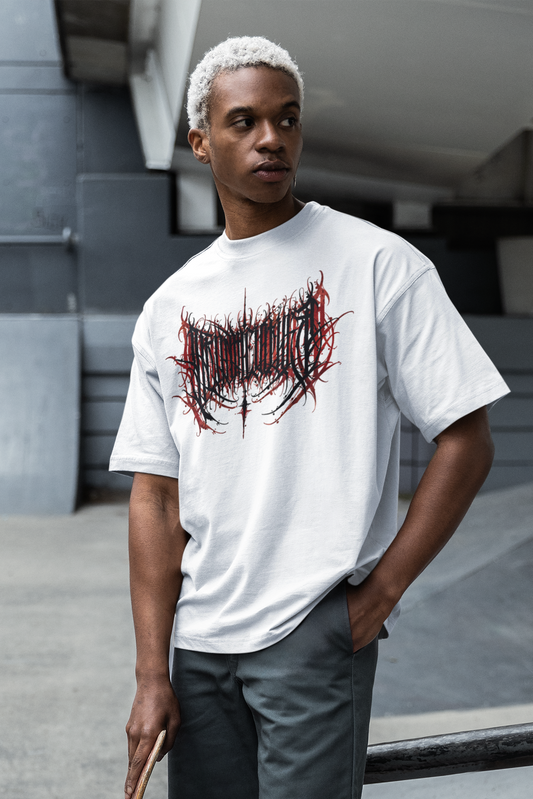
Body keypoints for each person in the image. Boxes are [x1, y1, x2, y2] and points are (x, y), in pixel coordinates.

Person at [110, 36, 509, 799]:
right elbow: (155, 497)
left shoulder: (376, 263)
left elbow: (466, 436)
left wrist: (379, 594)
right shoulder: (169, 306)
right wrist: (149, 671)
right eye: (244, 121)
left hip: (309, 630)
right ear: (201, 141)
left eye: (286, 119)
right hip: (197, 645)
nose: (270, 138)